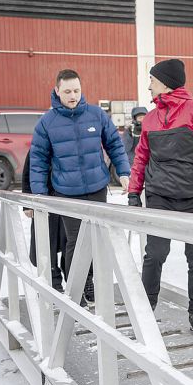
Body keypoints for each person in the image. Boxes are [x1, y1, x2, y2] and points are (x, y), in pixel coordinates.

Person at [127, 59, 193, 338]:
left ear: (165, 83)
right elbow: (141, 159)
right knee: (154, 254)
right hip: (160, 196)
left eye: (152, 80)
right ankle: (146, 311)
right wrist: (134, 192)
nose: (149, 85)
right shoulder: (150, 118)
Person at [29, 69, 131, 305]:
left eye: (76, 90)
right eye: (67, 91)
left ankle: (88, 281)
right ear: (57, 91)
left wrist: (124, 172)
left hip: (97, 187)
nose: (72, 95)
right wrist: (39, 195)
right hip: (67, 191)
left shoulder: (96, 115)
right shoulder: (47, 122)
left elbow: (115, 144)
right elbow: (38, 160)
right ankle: (77, 286)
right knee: (76, 241)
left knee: (96, 241)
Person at [22, 147, 68, 292]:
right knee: (47, 243)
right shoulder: (38, 146)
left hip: (67, 200)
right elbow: (27, 174)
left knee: (69, 242)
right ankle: (53, 282)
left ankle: (76, 281)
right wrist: (27, 205)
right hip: (44, 201)